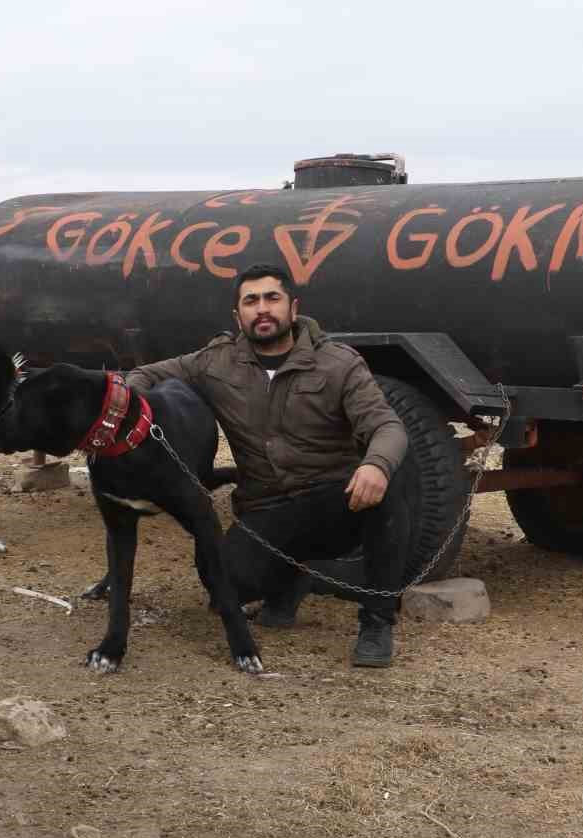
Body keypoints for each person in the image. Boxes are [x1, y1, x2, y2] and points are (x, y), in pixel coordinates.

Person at [125, 263, 410, 667]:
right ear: (237, 315)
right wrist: (132, 408)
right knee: (222, 581)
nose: (262, 309)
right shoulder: (215, 361)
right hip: (267, 508)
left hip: (336, 502)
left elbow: (387, 426)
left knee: (390, 494)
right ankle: (290, 583)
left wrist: (377, 466)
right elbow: (143, 375)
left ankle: (377, 621)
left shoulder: (338, 363)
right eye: (251, 301)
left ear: (293, 308)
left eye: (272, 299)